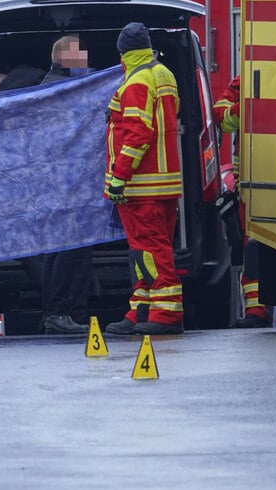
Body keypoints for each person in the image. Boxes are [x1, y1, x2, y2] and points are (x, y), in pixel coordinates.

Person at [103, 22, 184, 336]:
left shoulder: (136, 80)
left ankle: (166, 314)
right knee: (145, 250)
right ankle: (142, 309)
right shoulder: (163, 73)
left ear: (123, 54)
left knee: (150, 250)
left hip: (142, 184)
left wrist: (119, 176)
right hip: (165, 182)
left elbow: (138, 134)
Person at [38, 35, 94, 334]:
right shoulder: (55, 88)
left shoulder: (72, 84)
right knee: (65, 248)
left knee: (77, 248)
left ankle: (73, 312)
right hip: (61, 181)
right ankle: (58, 311)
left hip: (73, 179)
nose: (84, 59)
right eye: (79, 53)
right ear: (63, 57)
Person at [212, 75, 273, 328]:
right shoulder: (245, 80)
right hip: (251, 179)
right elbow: (220, 116)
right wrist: (246, 107)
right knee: (252, 245)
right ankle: (256, 311)